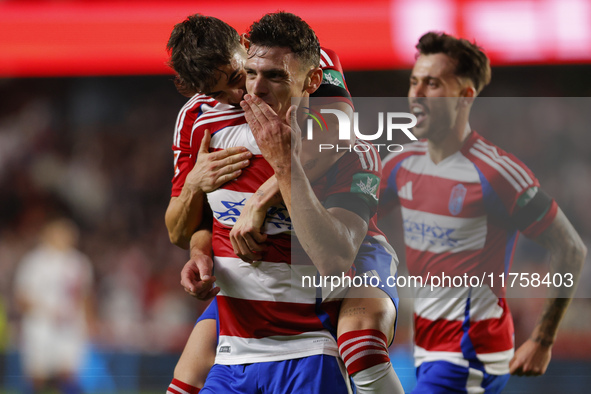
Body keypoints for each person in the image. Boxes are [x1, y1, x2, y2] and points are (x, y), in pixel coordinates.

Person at [165, 12, 402, 394]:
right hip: (254, 293)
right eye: (216, 93)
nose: (238, 94)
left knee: (361, 342)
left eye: (233, 77)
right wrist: (195, 191)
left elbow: (340, 131)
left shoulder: (315, 74)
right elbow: (189, 228)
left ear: (244, 47)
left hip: (348, 254)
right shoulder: (199, 121)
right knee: (186, 378)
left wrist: (260, 199)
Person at [379, 31, 587, 393]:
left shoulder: (497, 172)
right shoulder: (400, 164)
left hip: (471, 353)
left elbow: (570, 248)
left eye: (432, 84)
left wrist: (542, 340)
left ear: (465, 96)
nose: (417, 94)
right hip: (427, 349)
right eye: (415, 82)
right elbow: (347, 220)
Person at [14, 217, 94, 394]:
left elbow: (85, 296)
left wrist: (89, 323)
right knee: (38, 375)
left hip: (70, 325)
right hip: (40, 325)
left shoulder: (79, 262)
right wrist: (46, 310)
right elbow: (21, 297)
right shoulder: (34, 262)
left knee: (68, 373)